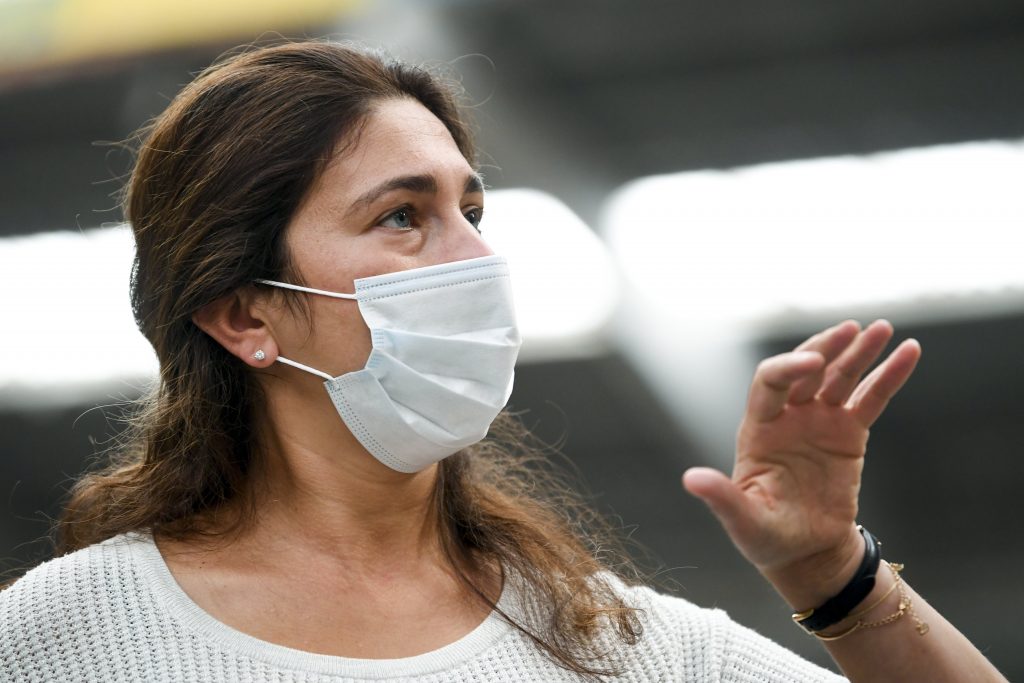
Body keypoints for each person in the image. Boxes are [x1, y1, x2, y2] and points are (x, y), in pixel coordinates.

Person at [0, 41, 1006, 682]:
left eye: (472, 209)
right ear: (243, 314)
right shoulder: (66, 635)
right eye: (404, 216)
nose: (476, 257)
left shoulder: (617, 645)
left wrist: (834, 575)